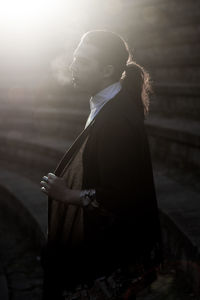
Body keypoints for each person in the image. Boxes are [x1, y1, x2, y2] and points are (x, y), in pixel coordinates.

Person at [40, 30, 164, 300]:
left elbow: (120, 195)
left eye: (84, 61)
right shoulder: (107, 101)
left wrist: (67, 194)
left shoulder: (116, 119)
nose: (74, 65)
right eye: (75, 58)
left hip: (119, 255)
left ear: (107, 70)